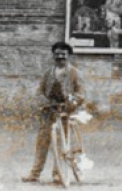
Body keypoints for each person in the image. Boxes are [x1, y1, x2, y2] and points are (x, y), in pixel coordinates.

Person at [22, 41, 86, 184]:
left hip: (66, 112)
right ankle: (34, 173)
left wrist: (71, 103)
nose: (60, 58)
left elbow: (81, 93)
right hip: (49, 111)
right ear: (53, 56)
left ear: (68, 56)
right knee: (42, 142)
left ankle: (58, 174)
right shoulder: (48, 73)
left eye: (63, 55)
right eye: (57, 55)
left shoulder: (74, 73)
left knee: (61, 144)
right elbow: (39, 91)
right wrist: (45, 102)